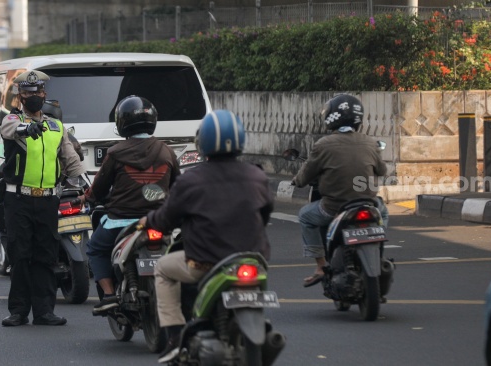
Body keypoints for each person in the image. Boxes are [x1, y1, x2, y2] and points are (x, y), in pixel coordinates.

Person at [138, 109, 274, 363]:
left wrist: (149, 220)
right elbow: (265, 215)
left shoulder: (192, 180)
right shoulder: (258, 176)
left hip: (206, 263)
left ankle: (175, 338)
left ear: (203, 143)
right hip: (253, 262)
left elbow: (166, 219)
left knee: (164, 269)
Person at [0, 70, 85, 327]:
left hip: (48, 200)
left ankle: (45, 311)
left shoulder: (57, 126)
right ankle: (18, 311)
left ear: (44, 94)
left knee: (46, 256)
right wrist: (28, 127)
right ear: (20, 96)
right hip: (19, 200)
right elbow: (10, 129)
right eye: (27, 93)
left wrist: (84, 184)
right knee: (20, 255)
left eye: (37, 92)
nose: (33, 96)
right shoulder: (12, 120)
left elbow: (70, 159)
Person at [80, 95, 181, 315]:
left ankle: (108, 295)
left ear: (122, 123)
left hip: (120, 222)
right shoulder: (167, 152)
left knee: (95, 249)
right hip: (159, 221)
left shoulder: (115, 153)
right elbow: (177, 187)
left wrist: (88, 198)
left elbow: (99, 187)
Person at [292, 94, 388, 288]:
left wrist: (296, 181)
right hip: (368, 204)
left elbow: (304, 176)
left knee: (305, 216)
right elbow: (382, 170)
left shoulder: (323, 145)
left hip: (334, 208)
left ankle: (320, 266)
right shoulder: (370, 142)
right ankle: (377, 248)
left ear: (331, 117)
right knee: (383, 211)